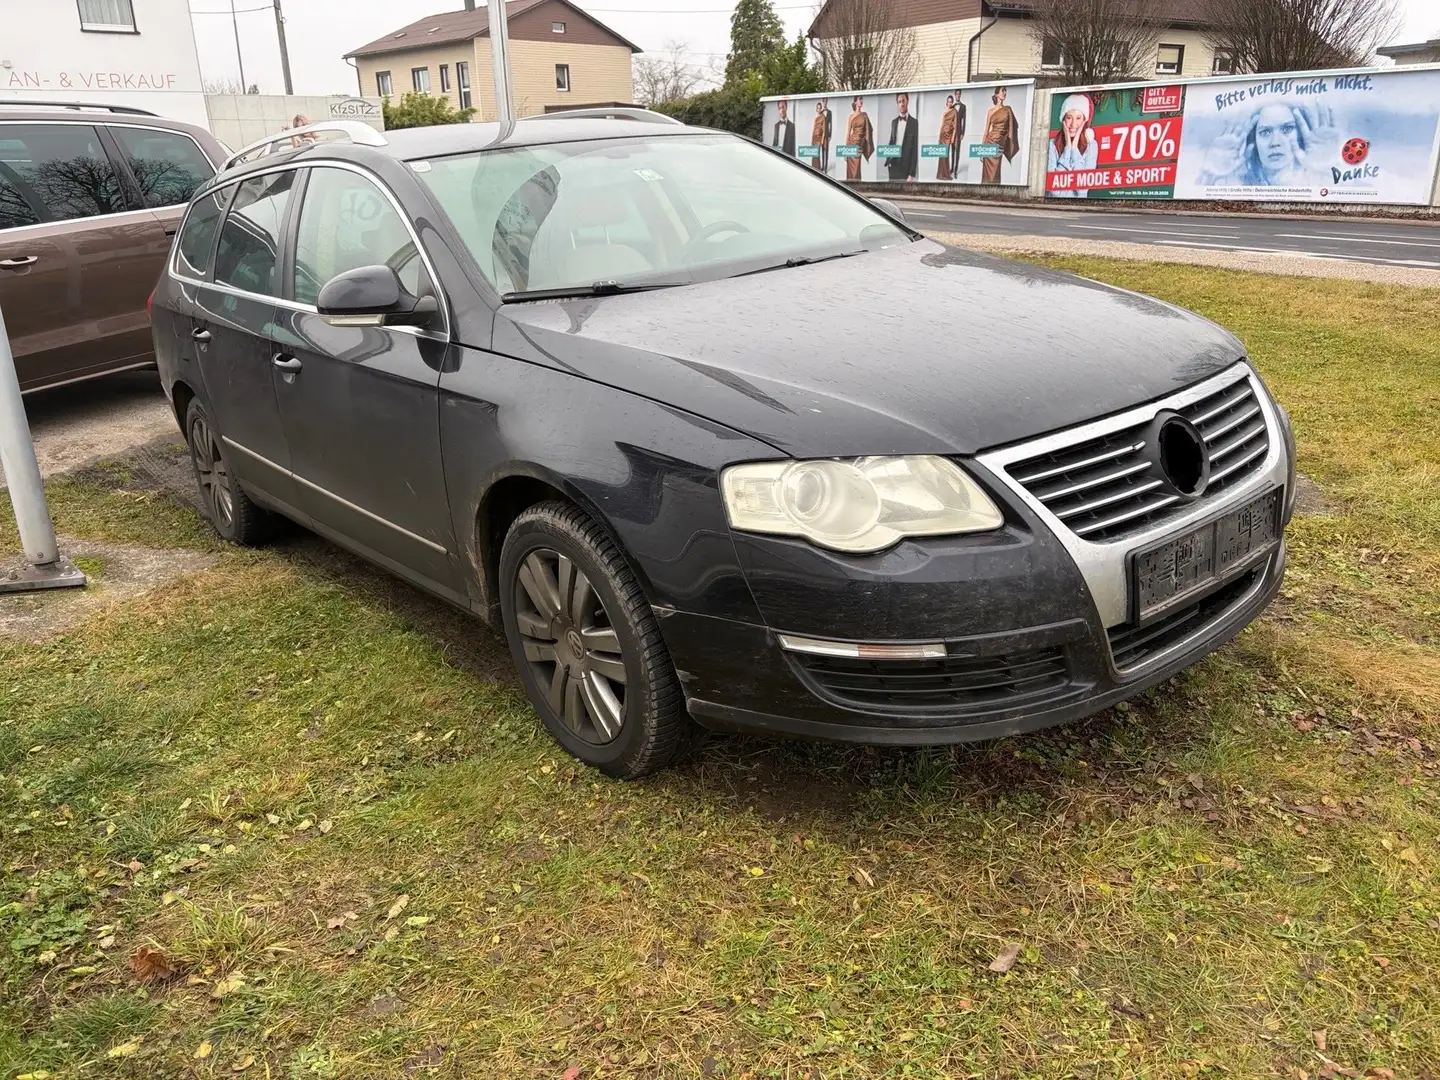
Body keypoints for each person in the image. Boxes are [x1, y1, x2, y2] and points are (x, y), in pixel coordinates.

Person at [1196, 102, 1339, 188]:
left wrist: (1328, 171)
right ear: (1254, 140)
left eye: (1287, 129)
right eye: (1265, 132)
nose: (1275, 142)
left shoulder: (1318, 179)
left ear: (1300, 134)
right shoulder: (1232, 182)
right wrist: (1209, 174)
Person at [1047, 93, 1098, 197]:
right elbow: (1054, 190)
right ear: (1063, 119)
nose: (1073, 124)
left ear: (1085, 120)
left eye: (1078, 118)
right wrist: (1067, 149)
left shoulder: (1091, 145)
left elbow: (1083, 189)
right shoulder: (1052, 145)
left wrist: (1074, 148)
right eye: (1069, 117)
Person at [981, 85, 1020, 184]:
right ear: (996, 94)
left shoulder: (1008, 109)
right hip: (989, 143)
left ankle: (994, 191)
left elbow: (1014, 126)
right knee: (986, 173)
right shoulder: (991, 111)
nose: (1005, 93)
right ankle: (985, 192)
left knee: (995, 171)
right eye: (1003, 91)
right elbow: (986, 131)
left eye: (1005, 91)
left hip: (999, 143)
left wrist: (1006, 140)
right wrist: (982, 150)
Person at [886, 92, 919, 182]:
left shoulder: (914, 122)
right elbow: (891, 142)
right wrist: (888, 161)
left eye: (903, 101)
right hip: (893, 166)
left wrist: (911, 174)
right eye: (899, 102)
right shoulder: (894, 122)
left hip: (906, 168)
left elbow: (915, 148)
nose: (902, 104)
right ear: (897, 104)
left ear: (907, 101)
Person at [844, 95, 874, 181]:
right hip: (851, 144)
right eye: (859, 99)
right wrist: (846, 150)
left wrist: (864, 140)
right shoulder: (851, 117)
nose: (861, 101)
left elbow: (869, 130)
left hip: (859, 144)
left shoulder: (864, 115)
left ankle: (857, 190)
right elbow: (848, 133)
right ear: (855, 102)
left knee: (857, 169)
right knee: (850, 172)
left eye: (862, 99)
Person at [936, 95, 958, 181]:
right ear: (946, 102)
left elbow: (955, 126)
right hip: (942, 135)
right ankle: (940, 174)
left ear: (952, 102)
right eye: (948, 101)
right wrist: (939, 136)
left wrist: (953, 137)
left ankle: (946, 174)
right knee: (942, 154)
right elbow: (942, 124)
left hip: (948, 135)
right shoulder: (945, 112)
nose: (949, 103)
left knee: (946, 154)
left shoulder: (954, 111)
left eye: (951, 101)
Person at [810, 99, 833, 172]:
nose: (825, 103)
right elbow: (814, 127)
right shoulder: (820, 113)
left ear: (827, 102)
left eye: (826, 101)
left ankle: (825, 168)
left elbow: (830, 125)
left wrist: (829, 135)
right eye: (824, 101)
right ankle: (821, 167)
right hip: (817, 136)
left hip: (825, 134)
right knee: (817, 152)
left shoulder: (829, 112)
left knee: (825, 151)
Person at [949, 91, 967, 179]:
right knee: (952, 151)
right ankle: (952, 168)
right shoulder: (951, 106)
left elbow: (964, 120)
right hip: (952, 132)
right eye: (956, 94)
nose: (958, 96)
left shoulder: (963, 107)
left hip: (959, 132)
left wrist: (963, 133)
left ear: (960, 95)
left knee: (957, 151)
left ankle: (956, 171)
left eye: (959, 94)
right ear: (955, 95)